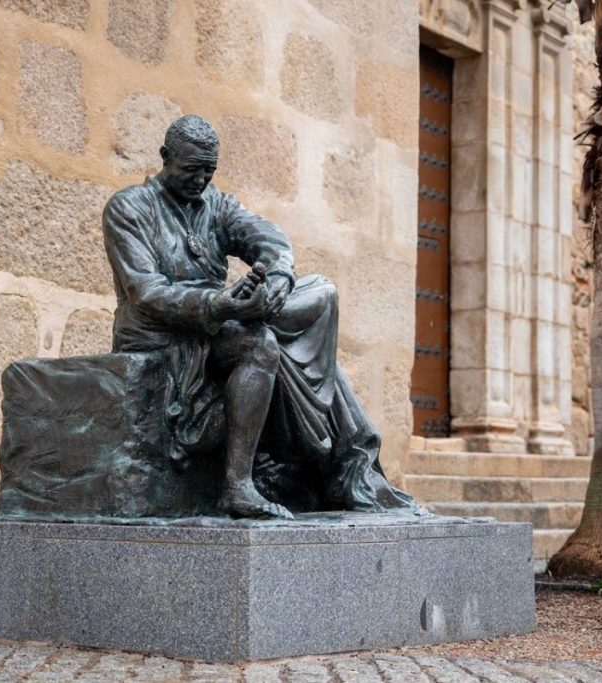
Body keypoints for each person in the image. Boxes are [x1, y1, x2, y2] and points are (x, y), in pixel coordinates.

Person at [102, 115, 421, 520]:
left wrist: (275, 280)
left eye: (209, 170)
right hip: (166, 334)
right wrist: (220, 305)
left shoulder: (217, 205)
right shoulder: (129, 208)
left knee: (321, 291)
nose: (201, 180)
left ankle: (331, 458)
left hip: (222, 322)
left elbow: (268, 238)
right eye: (191, 169)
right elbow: (145, 293)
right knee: (260, 343)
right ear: (166, 157)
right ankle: (239, 486)